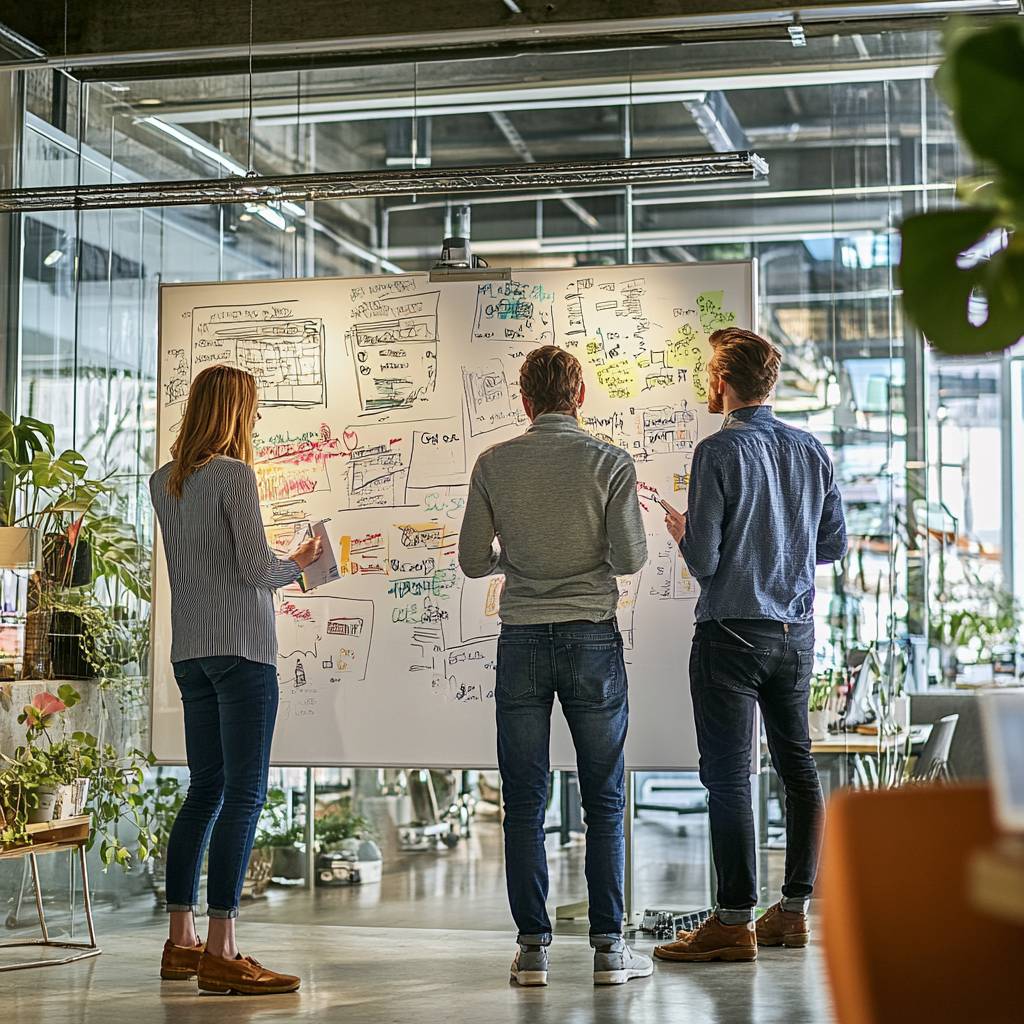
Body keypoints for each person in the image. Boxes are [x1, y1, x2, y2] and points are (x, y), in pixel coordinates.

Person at [458, 345, 653, 987]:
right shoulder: (610, 463)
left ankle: (535, 949)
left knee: (523, 799)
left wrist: (514, 562)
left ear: (524, 401)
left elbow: (471, 560)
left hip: (521, 640)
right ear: (579, 398)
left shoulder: (494, 463)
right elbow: (628, 559)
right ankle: (608, 949)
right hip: (593, 639)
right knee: (604, 797)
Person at [653, 327, 847, 965]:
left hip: (730, 633)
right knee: (798, 771)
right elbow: (831, 546)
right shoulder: (810, 449)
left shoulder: (717, 452)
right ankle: (792, 913)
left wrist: (686, 532)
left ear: (721, 380)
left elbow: (706, 561)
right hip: (793, 635)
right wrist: (779, 539)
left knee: (732, 778)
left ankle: (733, 922)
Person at [150, 364, 321, 995]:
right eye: (251, 410)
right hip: (243, 652)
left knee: (204, 791)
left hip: (190, 654)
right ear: (236, 412)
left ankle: (180, 941)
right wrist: (300, 564)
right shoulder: (234, 476)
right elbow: (254, 570)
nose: (255, 421)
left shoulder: (162, 481)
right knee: (244, 795)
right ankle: (223, 948)